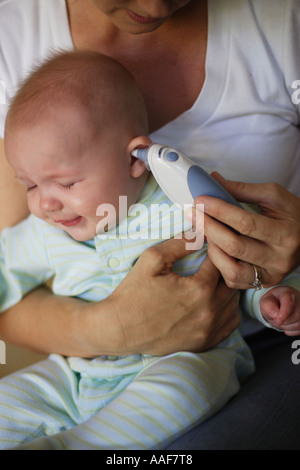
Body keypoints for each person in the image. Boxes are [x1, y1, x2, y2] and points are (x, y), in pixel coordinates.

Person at [0, 0, 299, 449]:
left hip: (191, 358)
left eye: (65, 183)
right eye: (29, 185)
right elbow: (6, 279)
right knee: (14, 398)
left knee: (183, 389)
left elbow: (247, 265)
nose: (46, 203)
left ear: (135, 158)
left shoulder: (181, 211)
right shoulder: (43, 232)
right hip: (83, 369)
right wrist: (103, 330)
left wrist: (274, 298)